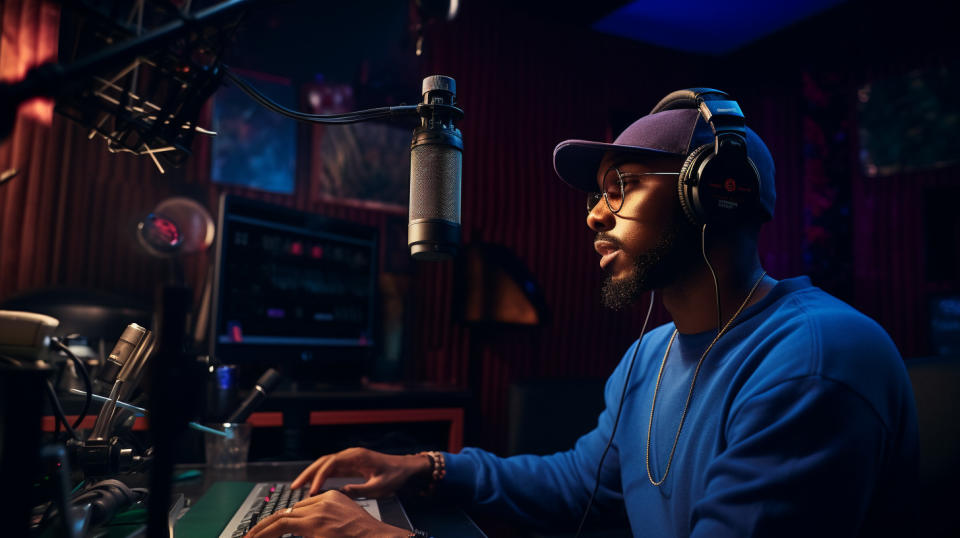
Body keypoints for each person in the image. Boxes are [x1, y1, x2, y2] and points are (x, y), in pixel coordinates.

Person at [244, 89, 919, 538]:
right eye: (598, 194)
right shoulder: (647, 358)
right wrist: (427, 468)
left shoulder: (814, 361)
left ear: (714, 195)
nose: (594, 215)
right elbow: (579, 484)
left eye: (621, 187)